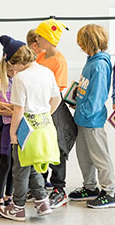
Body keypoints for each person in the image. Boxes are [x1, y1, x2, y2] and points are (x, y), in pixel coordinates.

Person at [0, 36, 61, 222]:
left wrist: (12, 133)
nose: (12, 70)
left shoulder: (21, 78)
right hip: (45, 126)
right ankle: (42, 201)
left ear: (16, 61)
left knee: (20, 168)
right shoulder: (46, 72)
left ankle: (17, 207)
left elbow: (18, 109)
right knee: (33, 164)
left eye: (12, 65)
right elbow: (57, 98)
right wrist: (45, 114)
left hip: (27, 128)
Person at [67, 24, 115, 209]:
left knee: (99, 156)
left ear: (90, 42)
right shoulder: (91, 60)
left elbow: (97, 97)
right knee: (84, 156)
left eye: (82, 43)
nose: (80, 46)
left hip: (92, 120)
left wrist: (84, 112)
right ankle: (90, 187)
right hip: (82, 118)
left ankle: (109, 191)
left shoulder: (99, 65)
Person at [28, 20, 72, 208]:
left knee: (57, 148)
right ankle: (40, 183)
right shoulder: (41, 56)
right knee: (42, 146)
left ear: (48, 39)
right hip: (40, 109)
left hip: (53, 111)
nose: (36, 39)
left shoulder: (59, 61)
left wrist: (46, 114)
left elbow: (58, 93)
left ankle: (58, 188)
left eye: (40, 36)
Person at [0, 44, 18, 218]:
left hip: (16, 125)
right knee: (5, 163)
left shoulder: (19, 79)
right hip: (4, 128)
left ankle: (9, 195)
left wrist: (13, 108)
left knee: (14, 164)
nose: (14, 72)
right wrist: (15, 107)